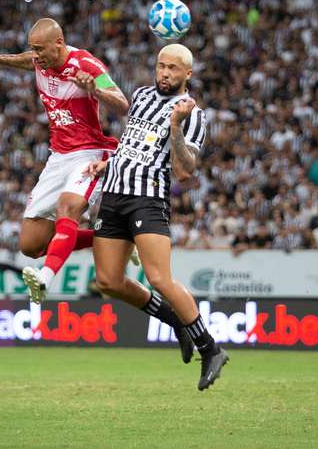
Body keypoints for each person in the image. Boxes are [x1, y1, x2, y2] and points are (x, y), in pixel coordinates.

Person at [85, 44, 229, 391]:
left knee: (160, 279)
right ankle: (176, 322)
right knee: (107, 281)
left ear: (187, 74)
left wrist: (176, 125)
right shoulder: (141, 95)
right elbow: (134, 141)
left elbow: (183, 171)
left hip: (147, 199)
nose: (164, 74)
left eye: (173, 69)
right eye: (161, 67)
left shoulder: (193, 113)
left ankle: (210, 349)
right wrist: (111, 163)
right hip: (114, 192)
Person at [0, 18, 137, 302]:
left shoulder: (86, 65)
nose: (36, 55)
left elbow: (122, 105)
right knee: (31, 244)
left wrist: (94, 89)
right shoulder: (40, 61)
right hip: (58, 156)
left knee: (68, 207)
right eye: (33, 49)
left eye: (40, 49)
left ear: (59, 43)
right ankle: (118, 237)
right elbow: (28, 61)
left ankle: (45, 277)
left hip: (89, 152)